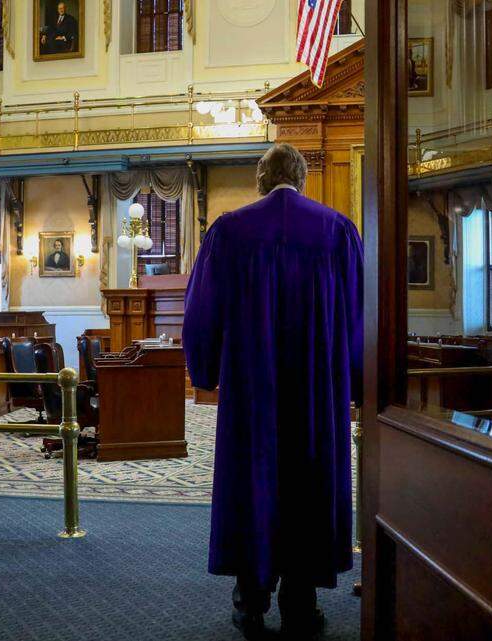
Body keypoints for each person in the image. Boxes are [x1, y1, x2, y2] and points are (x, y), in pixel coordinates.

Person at [183, 143, 363, 639]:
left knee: (252, 478)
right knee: (307, 480)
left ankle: (251, 601)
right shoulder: (336, 231)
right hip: (315, 389)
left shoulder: (228, 230)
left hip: (251, 386)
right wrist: (357, 382)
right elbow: (357, 319)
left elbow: (200, 313)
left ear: (261, 179)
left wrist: (204, 372)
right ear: (302, 179)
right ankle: (300, 603)